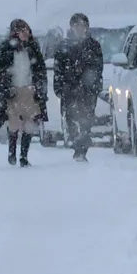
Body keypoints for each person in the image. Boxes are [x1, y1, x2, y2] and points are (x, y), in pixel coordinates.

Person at [0, 19, 48, 167]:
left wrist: (40, 88)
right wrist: (6, 87)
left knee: (30, 124)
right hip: (13, 91)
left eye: (26, 30)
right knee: (14, 123)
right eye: (21, 30)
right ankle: (12, 152)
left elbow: (40, 70)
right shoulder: (6, 49)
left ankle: (24, 155)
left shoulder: (33, 48)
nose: (25, 34)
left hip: (30, 90)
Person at [53, 13, 104, 162]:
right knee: (72, 118)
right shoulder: (63, 46)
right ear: (72, 27)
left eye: (83, 25)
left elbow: (98, 67)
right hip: (69, 91)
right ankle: (76, 143)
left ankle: (82, 149)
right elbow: (58, 69)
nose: (80, 28)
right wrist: (60, 87)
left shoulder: (93, 46)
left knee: (87, 120)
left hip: (88, 91)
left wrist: (94, 85)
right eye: (77, 25)